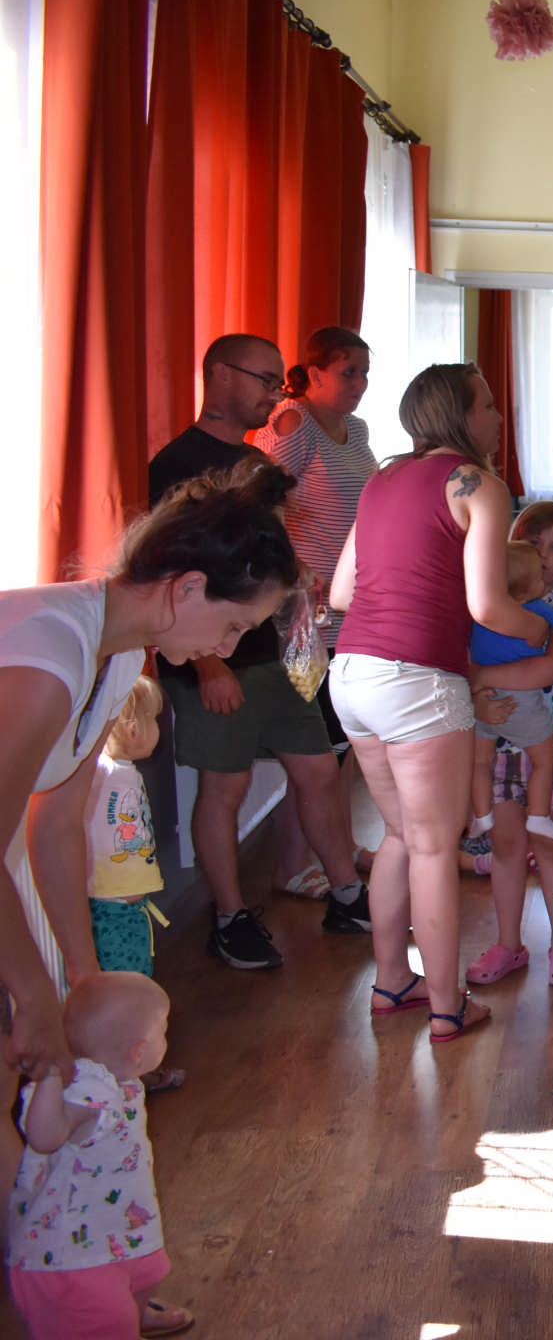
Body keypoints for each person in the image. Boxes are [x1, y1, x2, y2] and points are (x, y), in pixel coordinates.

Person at [0, 461, 304, 1089]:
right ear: (188, 587)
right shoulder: (52, 652)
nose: (226, 648)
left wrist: (84, 978)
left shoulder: (113, 658)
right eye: (233, 626)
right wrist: (33, 996)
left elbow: (55, 823)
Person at [330, 362, 549, 1043]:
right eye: (487, 404)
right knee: (432, 847)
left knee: (400, 836)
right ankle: (449, 1006)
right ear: (459, 413)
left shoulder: (382, 479)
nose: (498, 416)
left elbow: (341, 594)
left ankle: (394, 981)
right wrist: (542, 630)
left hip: (352, 673)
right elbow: (489, 605)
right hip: (417, 682)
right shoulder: (477, 484)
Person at [149, 334, 370, 965]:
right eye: (265, 380)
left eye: (278, 382)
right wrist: (208, 665)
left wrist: (299, 580)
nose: (276, 394)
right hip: (214, 661)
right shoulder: (177, 464)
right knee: (226, 786)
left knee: (320, 770)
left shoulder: (254, 463)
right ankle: (229, 917)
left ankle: (347, 895)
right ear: (220, 375)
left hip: (274, 654)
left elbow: (266, 555)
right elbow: (166, 573)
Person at [255, 325, 377, 898]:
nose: (360, 383)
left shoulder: (358, 430)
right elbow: (261, 506)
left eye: (365, 372)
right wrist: (297, 574)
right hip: (305, 613)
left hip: (351, 604)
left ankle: (341, 846)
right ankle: (294, 863)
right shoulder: (292, 425)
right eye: (349, 372)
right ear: (315, 373)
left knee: (343, 736)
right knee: (315, 742)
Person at [6, 971, 190, 1340]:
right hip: (71, 1255)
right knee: (97, 1316)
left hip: (112, 1229)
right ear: (138, 1051)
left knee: (148, 1271)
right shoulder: (87, 1089)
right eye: (163, 1031)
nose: (166, 1039)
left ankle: (130, 1317)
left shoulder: (119, 1080)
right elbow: (44, 1138)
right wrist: (50, 1079)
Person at [466, 502, 553, 986]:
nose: (542, 555)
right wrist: (476, 694)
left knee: (551, 848)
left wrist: (480, 677)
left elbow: (548, 668)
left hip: (551, 742)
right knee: (505, 845)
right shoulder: (485, 599)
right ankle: (508, 944)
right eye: (533, 542)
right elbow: (462, 657)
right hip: (498, 742)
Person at [81, 675, 184, 1093]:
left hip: (128, 910)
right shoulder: (99, 772)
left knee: (137, 982)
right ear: (131, 728)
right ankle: (125, 1073)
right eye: (153, 719)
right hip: (112, 910)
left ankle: (131, 1068)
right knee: (126, 988)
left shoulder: (122, 771)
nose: (158, 728)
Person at [463, 541, 553, 847]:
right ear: (524, 589)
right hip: (520, 701)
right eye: (538, 577)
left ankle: (482, 814)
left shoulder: (481, 609)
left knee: (480, 763)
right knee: (545, 758)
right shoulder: (536, 605)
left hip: (484, 697)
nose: (543, 578)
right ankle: (538, 815)